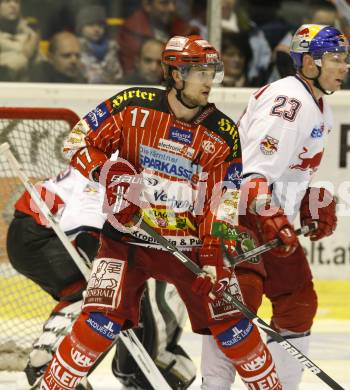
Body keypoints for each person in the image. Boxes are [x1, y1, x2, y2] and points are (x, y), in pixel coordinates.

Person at [39, 35, 288, 390]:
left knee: (234, 325)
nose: (209, 81)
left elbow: (224, 200)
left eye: (211, 71)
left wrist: (212, 257)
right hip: (126, 240)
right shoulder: (131, 106)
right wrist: (109, 173)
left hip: (187, 246)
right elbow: (77, 141)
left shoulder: (222, 133)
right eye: (200, 72)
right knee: (99, 321)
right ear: (175, 73)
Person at [201, 24, 349, 389]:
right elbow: (251, 176)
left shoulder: (319, 107)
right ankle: (213, 386)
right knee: (238, 304)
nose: (344, 67)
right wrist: (273, 215)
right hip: (235, 217)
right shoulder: (289, 103)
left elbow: (287, 171)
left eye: (346, 59)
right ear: (310, 63)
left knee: (298, 303)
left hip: (267, 218)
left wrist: (308, 203)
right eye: (336, 59)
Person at [6, 165, 196, 389]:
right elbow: (88, 214)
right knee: (106, 298)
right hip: (43, 233)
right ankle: (52, 364)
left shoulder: (136, 160)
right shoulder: (125, 165)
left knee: (94, 295)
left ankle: (50, 361)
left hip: (38, 229)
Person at [117, 0, 197, 75]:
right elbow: (130, 72)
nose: (172, 8)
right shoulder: (131, 32)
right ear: (147, 5)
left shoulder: (185, 31)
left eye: (174, 2)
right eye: (164, 3)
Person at [76, 5, 123, 84]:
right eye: (91, 25)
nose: (96, 29)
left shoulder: (112, 48)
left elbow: (118, 75)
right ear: (81, 28)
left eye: (100, 25)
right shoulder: (76, 48)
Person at [0, 0, 39, 81]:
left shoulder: (31, 33)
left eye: (17, 2)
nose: (13, 6)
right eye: (7, 1)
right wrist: (25, 55)